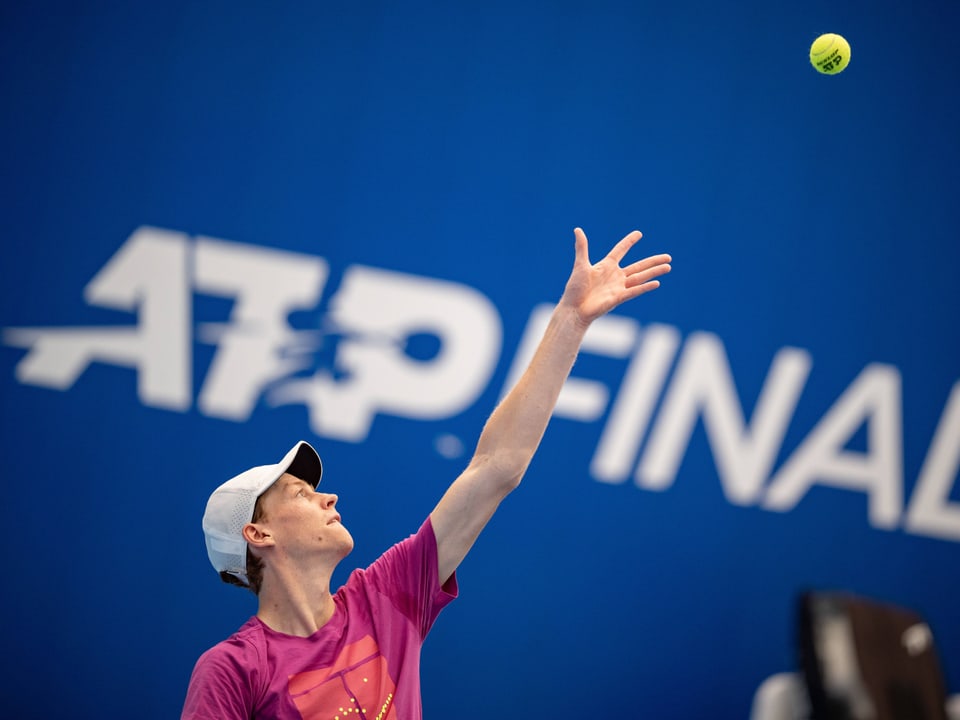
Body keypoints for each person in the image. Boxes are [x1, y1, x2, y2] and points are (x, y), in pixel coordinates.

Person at [181, 227, 672, 719]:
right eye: (300, 494)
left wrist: (569, 321)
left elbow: (496, 468)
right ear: (257, 531)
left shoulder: (387, 594)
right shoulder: (231, 670)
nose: (328, 499)